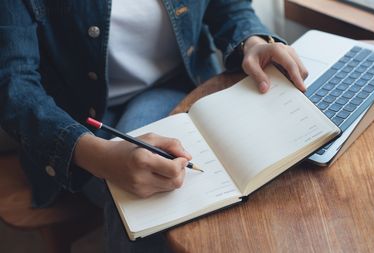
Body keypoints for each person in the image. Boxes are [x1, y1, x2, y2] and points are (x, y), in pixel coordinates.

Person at [0, 0, 308, 252]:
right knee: (149, 199)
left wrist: (253, 40)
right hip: (77, 123)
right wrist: (99, 156)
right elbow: (14, 85)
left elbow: (226, 5)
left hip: (183, 85)